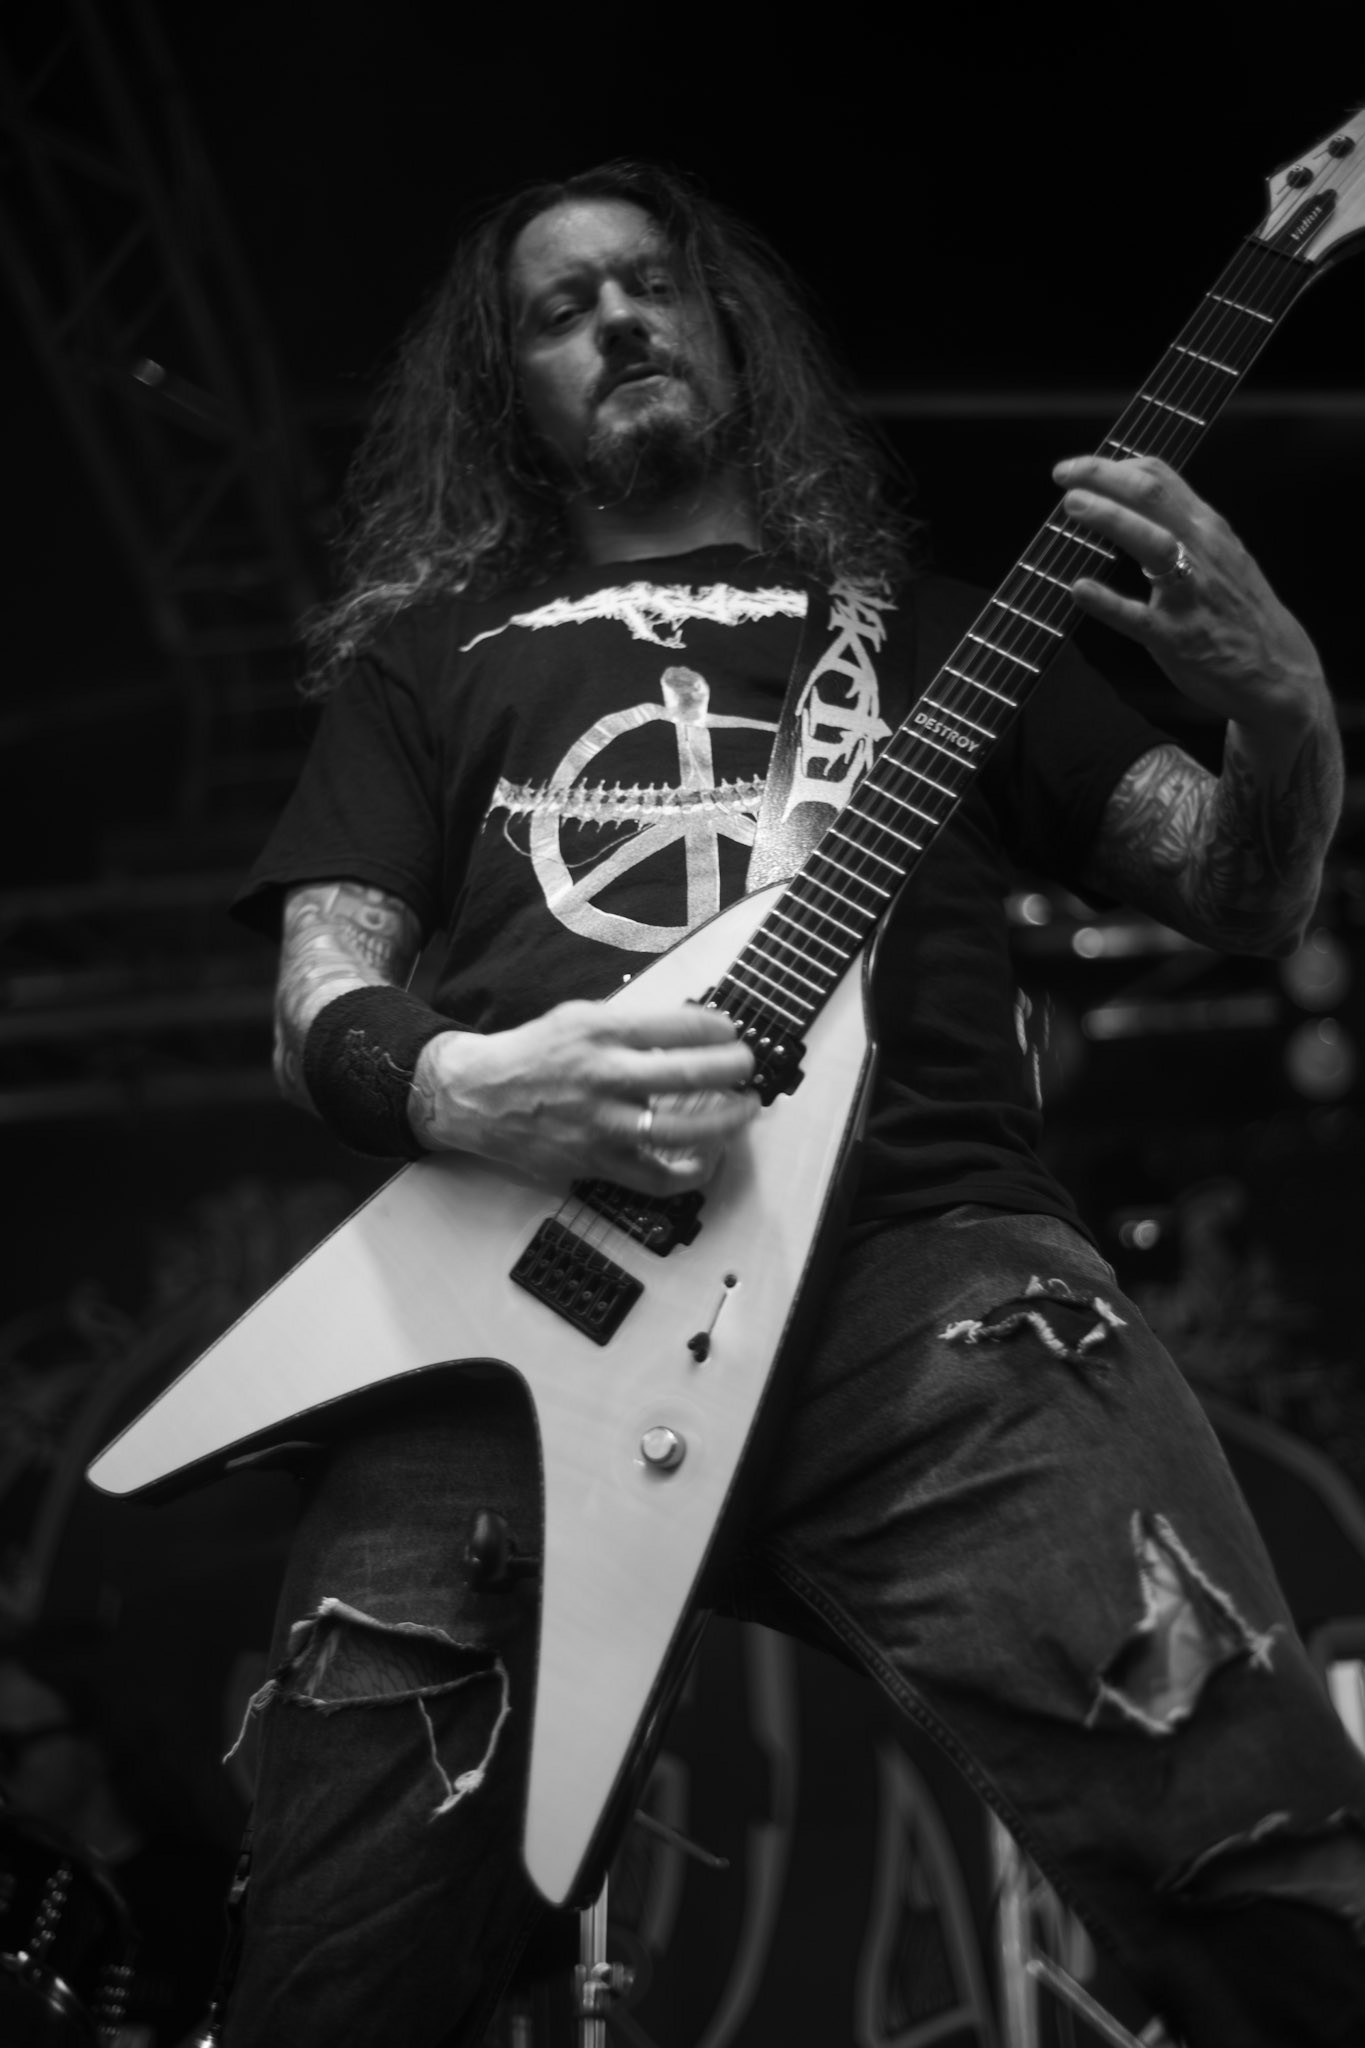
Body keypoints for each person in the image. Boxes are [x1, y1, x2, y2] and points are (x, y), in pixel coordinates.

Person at [222, 160, 1365, 2046]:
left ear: (728, 328)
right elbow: (319, 994)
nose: (618, 319)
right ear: (510, 392)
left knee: (1263, 1856)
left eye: (652, 283)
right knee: (333, 1976)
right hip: (519, 1309)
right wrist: (462, 1081)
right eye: (561, 308)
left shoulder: (936, 635)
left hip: (934, 1288)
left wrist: (1287, 709)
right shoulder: (436, 662)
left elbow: (1242, 893)